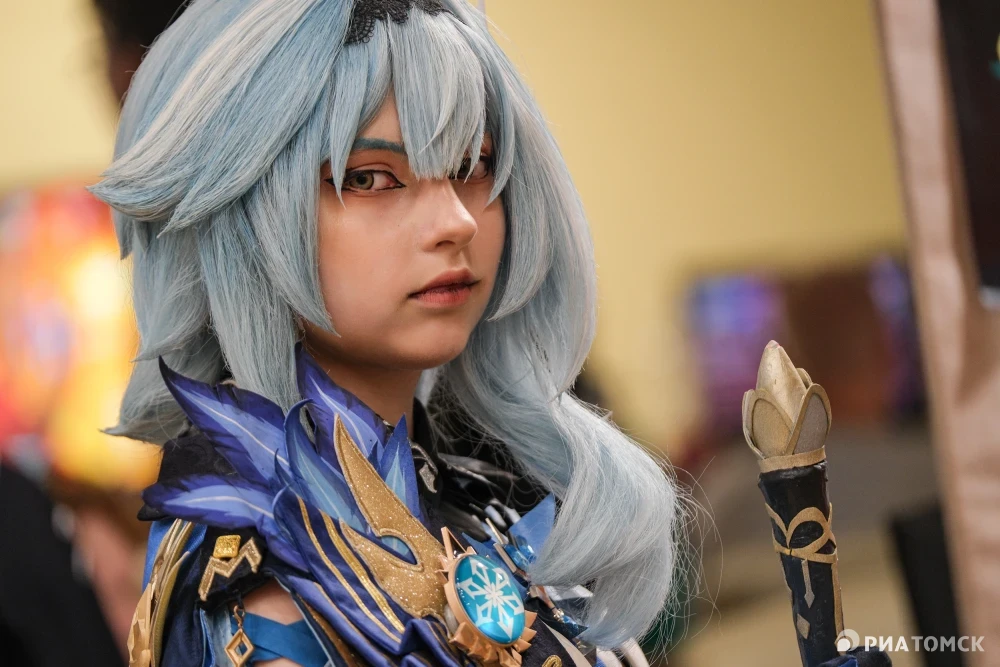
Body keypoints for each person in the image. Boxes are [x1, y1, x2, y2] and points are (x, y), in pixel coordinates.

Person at [91, 1, 889, 665]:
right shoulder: (265, 591)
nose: (455, 220)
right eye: (370, 177)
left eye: (474, 165)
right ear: (244, 218)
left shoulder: (487, 491)